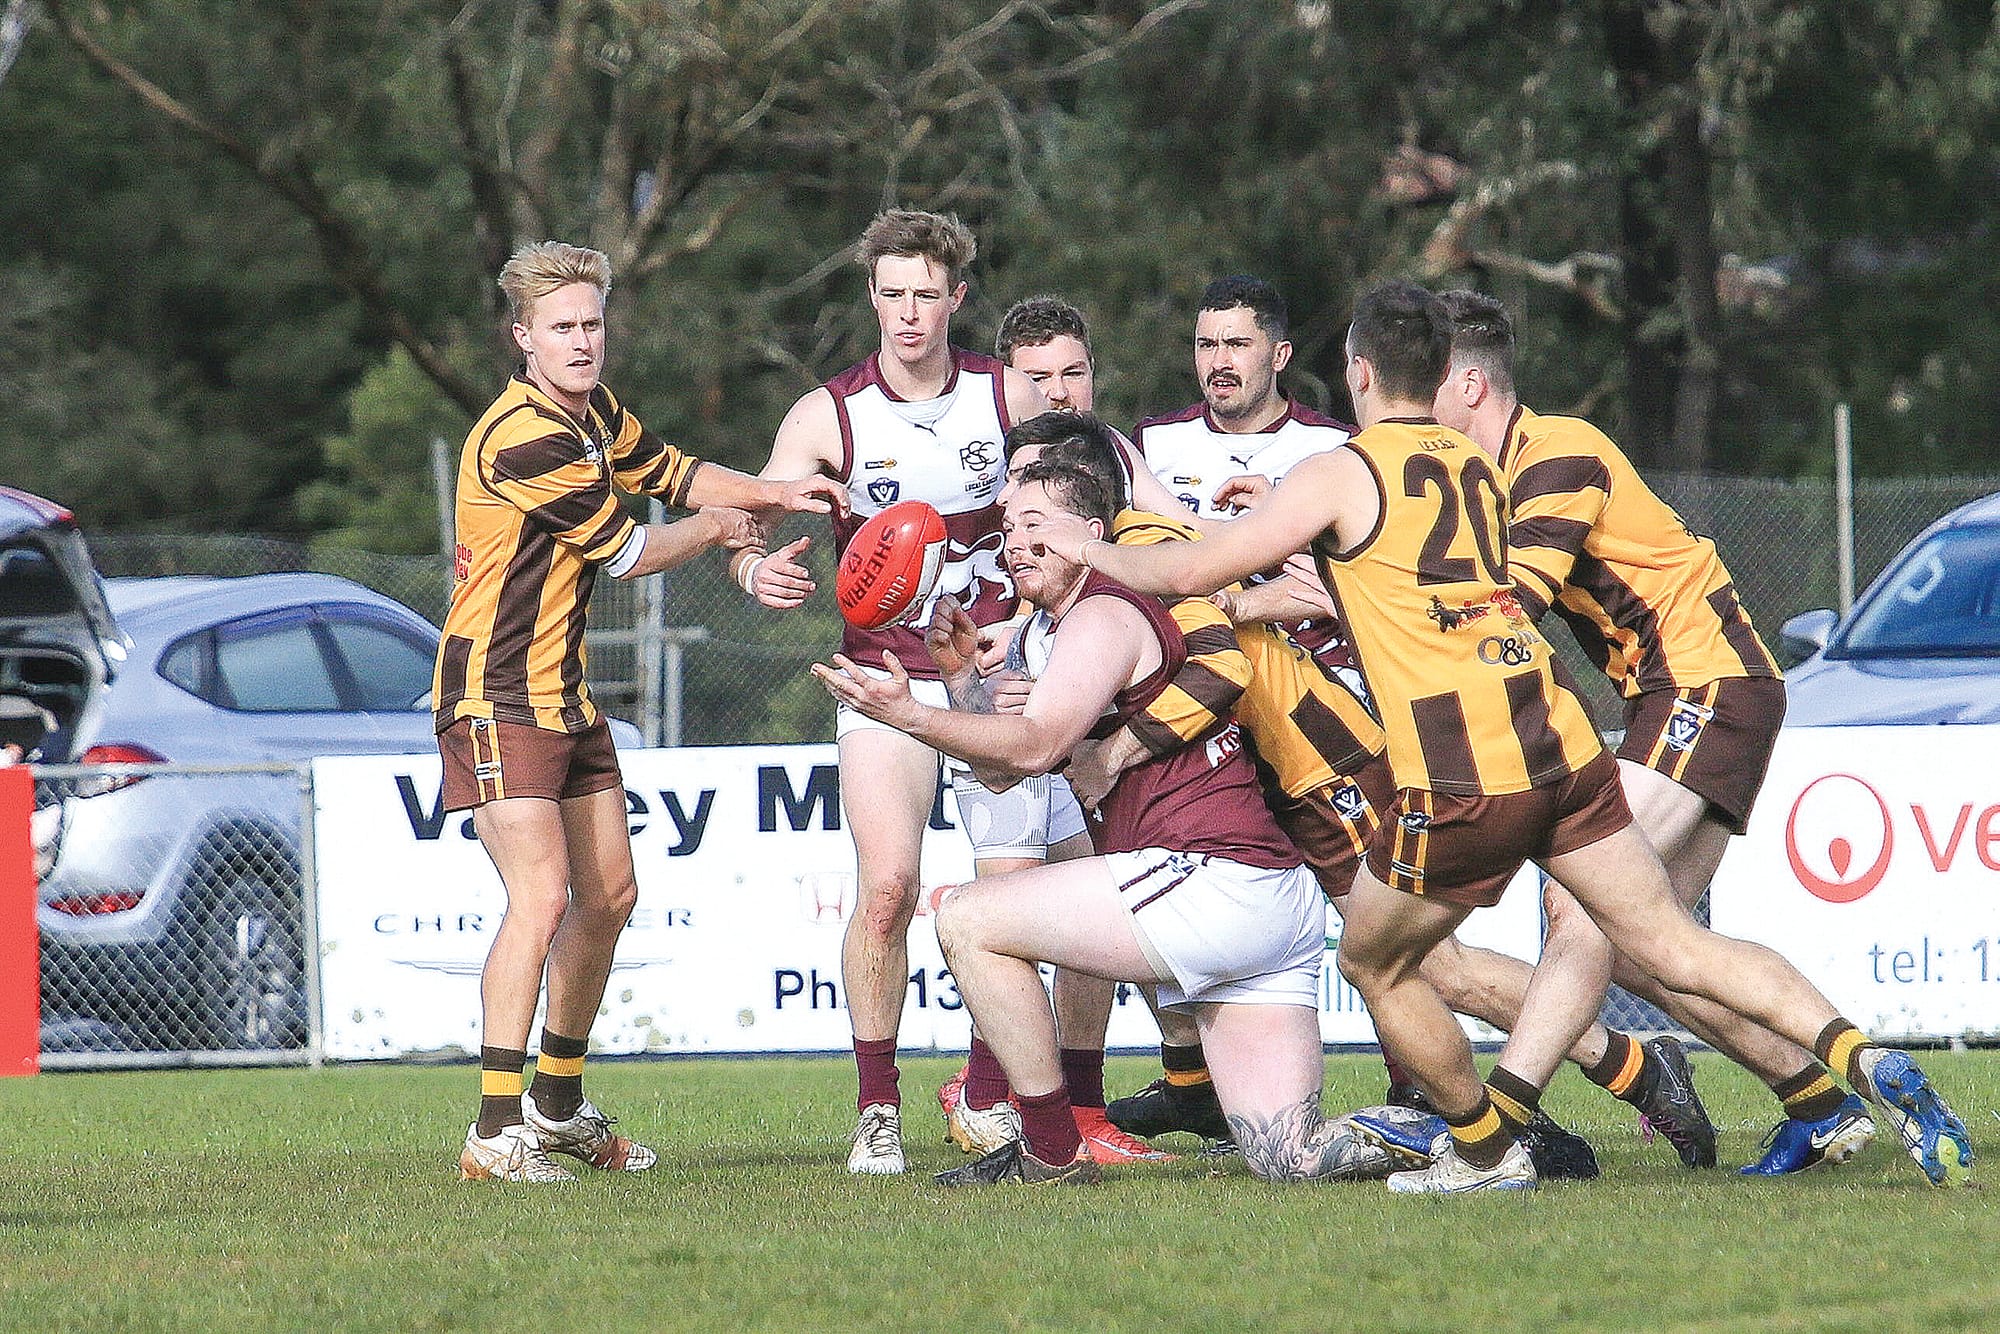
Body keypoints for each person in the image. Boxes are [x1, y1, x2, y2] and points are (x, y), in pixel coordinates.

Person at [1044, 280, 1974, 1192]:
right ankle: (1857, 1062)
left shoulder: (1351, 470)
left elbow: (1197, 571)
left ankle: (1490, 1148)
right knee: (1668, 942)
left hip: (1476, 762)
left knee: (1374, 960)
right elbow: (1427, 582)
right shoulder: (1475, 467)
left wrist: (1088, 548)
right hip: (1561, 740)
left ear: (1358, 372)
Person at [817, 457, 1367, 1186]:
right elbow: (1004, 772)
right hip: (1260, 895)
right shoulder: (1049, 629)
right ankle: (1437, 1135)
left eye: (1037, 525)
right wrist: (959, 679)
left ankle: (1050, 1150)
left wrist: (907, 714)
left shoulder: (1103, 613)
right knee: (1289, 1156)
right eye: (1009, 527)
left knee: (967, 919)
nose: (1017, 543)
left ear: (1094, 532)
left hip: (1208, 878)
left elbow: (1036, 746)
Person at [1423, 289, 1872, 1174]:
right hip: (1700, 691)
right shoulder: (1490, 482)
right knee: (1648, 947)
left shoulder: (1558, 451)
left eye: (1420, 384)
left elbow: (1512, 604)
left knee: (1583, 906)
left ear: (1470, 386)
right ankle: (1819, 1103)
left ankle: (1495, 1133)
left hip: (1703, 682)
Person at [442, 240, 842, 1183]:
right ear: (524, 338)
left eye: (592, 323)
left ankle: (556, 1105)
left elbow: (672, 470)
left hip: (565, 696)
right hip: (495, 693)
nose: (583, 341)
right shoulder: (524, 434)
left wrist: (776, 493)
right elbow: (627, 551)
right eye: (562, 327)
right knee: (541, 897)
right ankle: (494, 1134)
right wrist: (722, 530)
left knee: (611, 896)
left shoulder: (591, 415)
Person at [727, 210, 1048, 1174]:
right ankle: (877, 1109)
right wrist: (753, 568)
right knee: (887, 889)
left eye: (927, 295)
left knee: (1014, 900)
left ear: (958, 299)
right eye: (893, 293)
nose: (909, 313)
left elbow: (1077, 505)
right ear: (871, 297)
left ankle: (987, 1098)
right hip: (884, 677)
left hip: (996, 676)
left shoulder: (1007, 395)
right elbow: (748, 515)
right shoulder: (828, 414)